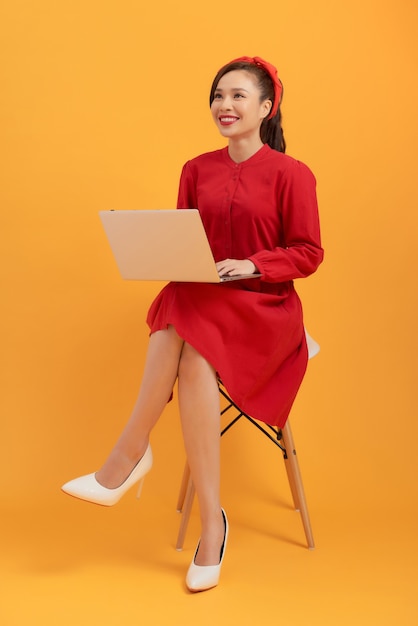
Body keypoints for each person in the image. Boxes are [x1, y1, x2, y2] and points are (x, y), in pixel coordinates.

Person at [62, 55, 324, 592]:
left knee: (182, 315)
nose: (223, 106)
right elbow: (184, 242)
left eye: (237, 96)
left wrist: (254, 264)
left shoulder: (293, 175)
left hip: (263, 308)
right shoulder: (195, 168)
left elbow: (308, 252)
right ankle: (212, 528)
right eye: (217, 96)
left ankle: (128, 455)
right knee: (192, 332)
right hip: (204, 304)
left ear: (266, 107)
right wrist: (157, 253)